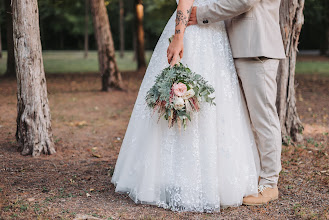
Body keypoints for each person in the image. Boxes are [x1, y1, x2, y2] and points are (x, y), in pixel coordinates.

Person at [111, 0, 261, 212]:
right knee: (211, 103)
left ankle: (176, 177)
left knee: (196, 98)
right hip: (213, 32)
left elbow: (185, 2)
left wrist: (178, 37)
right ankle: (213, 180)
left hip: (194, 31)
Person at [185, 0, 286, 205]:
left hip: (257, 47)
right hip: (238, 47)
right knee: (243, 120)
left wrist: (201, 13)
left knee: (263, 118)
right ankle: (253, 176)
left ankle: (269, 183)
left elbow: (244, 1)